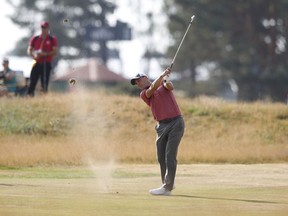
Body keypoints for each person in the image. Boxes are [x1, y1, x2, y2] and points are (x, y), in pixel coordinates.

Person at [130, 67, 185, 196]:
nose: (137, 83)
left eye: (138, 80)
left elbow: (169, 86)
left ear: (145, 78)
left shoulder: (163, 85)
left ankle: (167, 188)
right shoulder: (144, 94)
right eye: (136, 82)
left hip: (175, 122)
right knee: (161, 157)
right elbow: (152, 89)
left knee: (170, 155)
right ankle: (167, 183)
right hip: (161, 126)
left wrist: (166, 79)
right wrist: (162, 76)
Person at [27, 21, 58, 96]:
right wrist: (34, 55)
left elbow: (55, 52)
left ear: (48, 28)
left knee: (44, 83)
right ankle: (30, 96)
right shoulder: (35, 38)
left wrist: (45, 54)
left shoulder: (52, 39)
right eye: (42, 27)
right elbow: (29, 50)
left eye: (45, 28)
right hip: (36, 63)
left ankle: (43, 98)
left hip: (46, 63)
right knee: (32, 82)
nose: (43, 29)